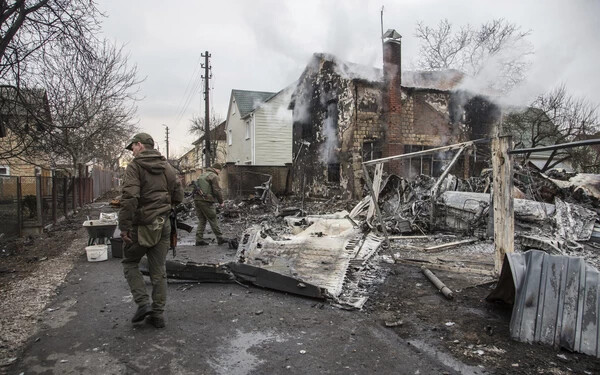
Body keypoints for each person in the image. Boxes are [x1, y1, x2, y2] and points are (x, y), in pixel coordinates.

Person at [118, 132, 183, 328]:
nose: (132, 152)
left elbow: (130, 197)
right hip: (162, 224)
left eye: (133, 148)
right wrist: (165, 205)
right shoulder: (167, 166)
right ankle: (158, 315)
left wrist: (124, 226)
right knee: (159, 269)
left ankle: (143, 303)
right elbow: (178, 194)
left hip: (141, 225)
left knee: (130, 262)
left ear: (140, 145)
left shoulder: (135, 166)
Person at [193, 163, 227, 246]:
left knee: (202, 220)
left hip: (197, 199)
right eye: (219, 170)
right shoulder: (213, 176)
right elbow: (217, 190)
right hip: (206, 200)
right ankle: (220, 238)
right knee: (213, 219)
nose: (219, 172)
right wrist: (221, 202)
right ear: (217, 169)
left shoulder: (202, 175)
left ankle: (199, 239)